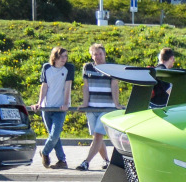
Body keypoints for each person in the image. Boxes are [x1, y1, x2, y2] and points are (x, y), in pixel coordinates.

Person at [76, 43, 121, 171]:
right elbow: (85, 86)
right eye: (95, 54)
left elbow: (115, 85)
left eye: (100, 54)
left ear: (105, 54)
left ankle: (86, 162)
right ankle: (107, 161)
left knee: (98, 135)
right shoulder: (87, 67)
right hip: (92, 107)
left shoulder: (111, 68)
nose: (98, 57)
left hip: (106, 108)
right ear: (91, 55)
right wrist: (85, 103)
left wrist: (116, 104)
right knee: (96, 137)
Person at [33, 46, 74, 169]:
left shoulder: (69, 68)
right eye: (61, 57)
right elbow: (44, 86)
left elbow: (67, 87)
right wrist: (39, 102)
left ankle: (44, 152)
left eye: (66, 56)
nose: (64, 59)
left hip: (60, 108)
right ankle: (62, 161)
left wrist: (66, 104)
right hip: (47, 107)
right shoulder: (47, 67)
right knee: (53, 135)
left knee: (55, 134)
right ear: (54, 57)